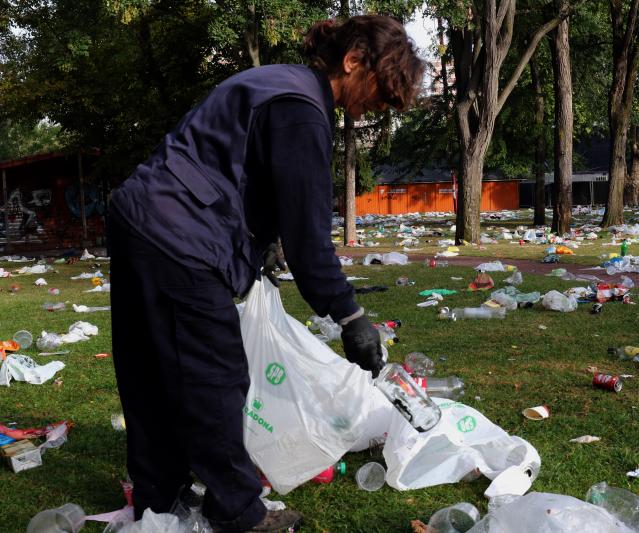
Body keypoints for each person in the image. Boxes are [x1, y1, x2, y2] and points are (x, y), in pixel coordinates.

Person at [107, 16, 424, 532]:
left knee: (150, 370)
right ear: (352, 62)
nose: (379, 108)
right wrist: (351, 316)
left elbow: (237, 169)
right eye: (381, 92)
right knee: (215, 376)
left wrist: (259, 241)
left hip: (140, 216)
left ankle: (158, 496)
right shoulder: (302, 111)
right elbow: (310, 240)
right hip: (181, 235)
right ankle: (240, 514)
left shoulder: (275, 82)